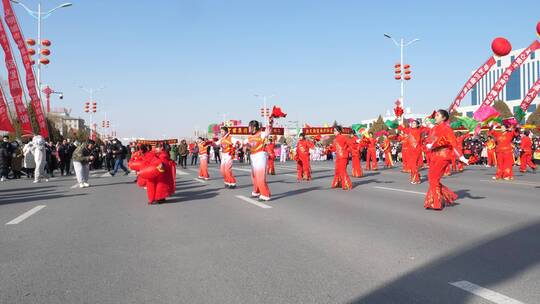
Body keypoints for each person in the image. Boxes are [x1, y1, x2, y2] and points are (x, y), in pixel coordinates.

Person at [424, 109, 468, 210]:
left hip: (443, 156)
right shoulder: (434, 128)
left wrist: (462, 158)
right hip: (434, 156)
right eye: (435, 115)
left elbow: (454, 144)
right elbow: (429, 140)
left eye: (438, 115)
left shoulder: (447, 129)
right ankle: (447, 196)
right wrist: (429, 144)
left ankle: (436, 203)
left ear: (444, 118)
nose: (435, 117)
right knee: (431, 179)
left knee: (434, 179)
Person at [245, 119, 273, 201]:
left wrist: (270, 123)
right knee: (254, 176)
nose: (248, 128)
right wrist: (243, 146)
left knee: (260, 176)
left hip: (260, 155)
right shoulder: (249, 137)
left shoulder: (261, 134)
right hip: (253, 156)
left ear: (254, 127)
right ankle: (257, 191)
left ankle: (265, 195)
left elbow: (268, 131)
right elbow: (246, 145)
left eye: (250, 126)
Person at [399, 119, 426, 184]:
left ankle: (416, 179)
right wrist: (400, 117)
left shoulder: (419, 131)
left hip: (416, 150)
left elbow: (425, 130)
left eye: (414, 123)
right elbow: (402, 127)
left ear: (417, 125)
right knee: (412, 165)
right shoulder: (409, 130)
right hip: (410, 150)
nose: (412, 124)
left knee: (413, 165)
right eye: (412, 123)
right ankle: (417, 177)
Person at [331, 125, 353, 190]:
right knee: (337, 170)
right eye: (333, 131)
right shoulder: (334, 140)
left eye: (335, 131)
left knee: (343, 171)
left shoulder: (344, 137)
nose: (334, 132)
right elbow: (334, 149)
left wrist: (346, 150)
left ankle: (347, 185)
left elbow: (350, 145)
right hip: (338, 157)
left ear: (339, 131)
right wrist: (327, 150)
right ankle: (338, 183)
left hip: (343, 157)